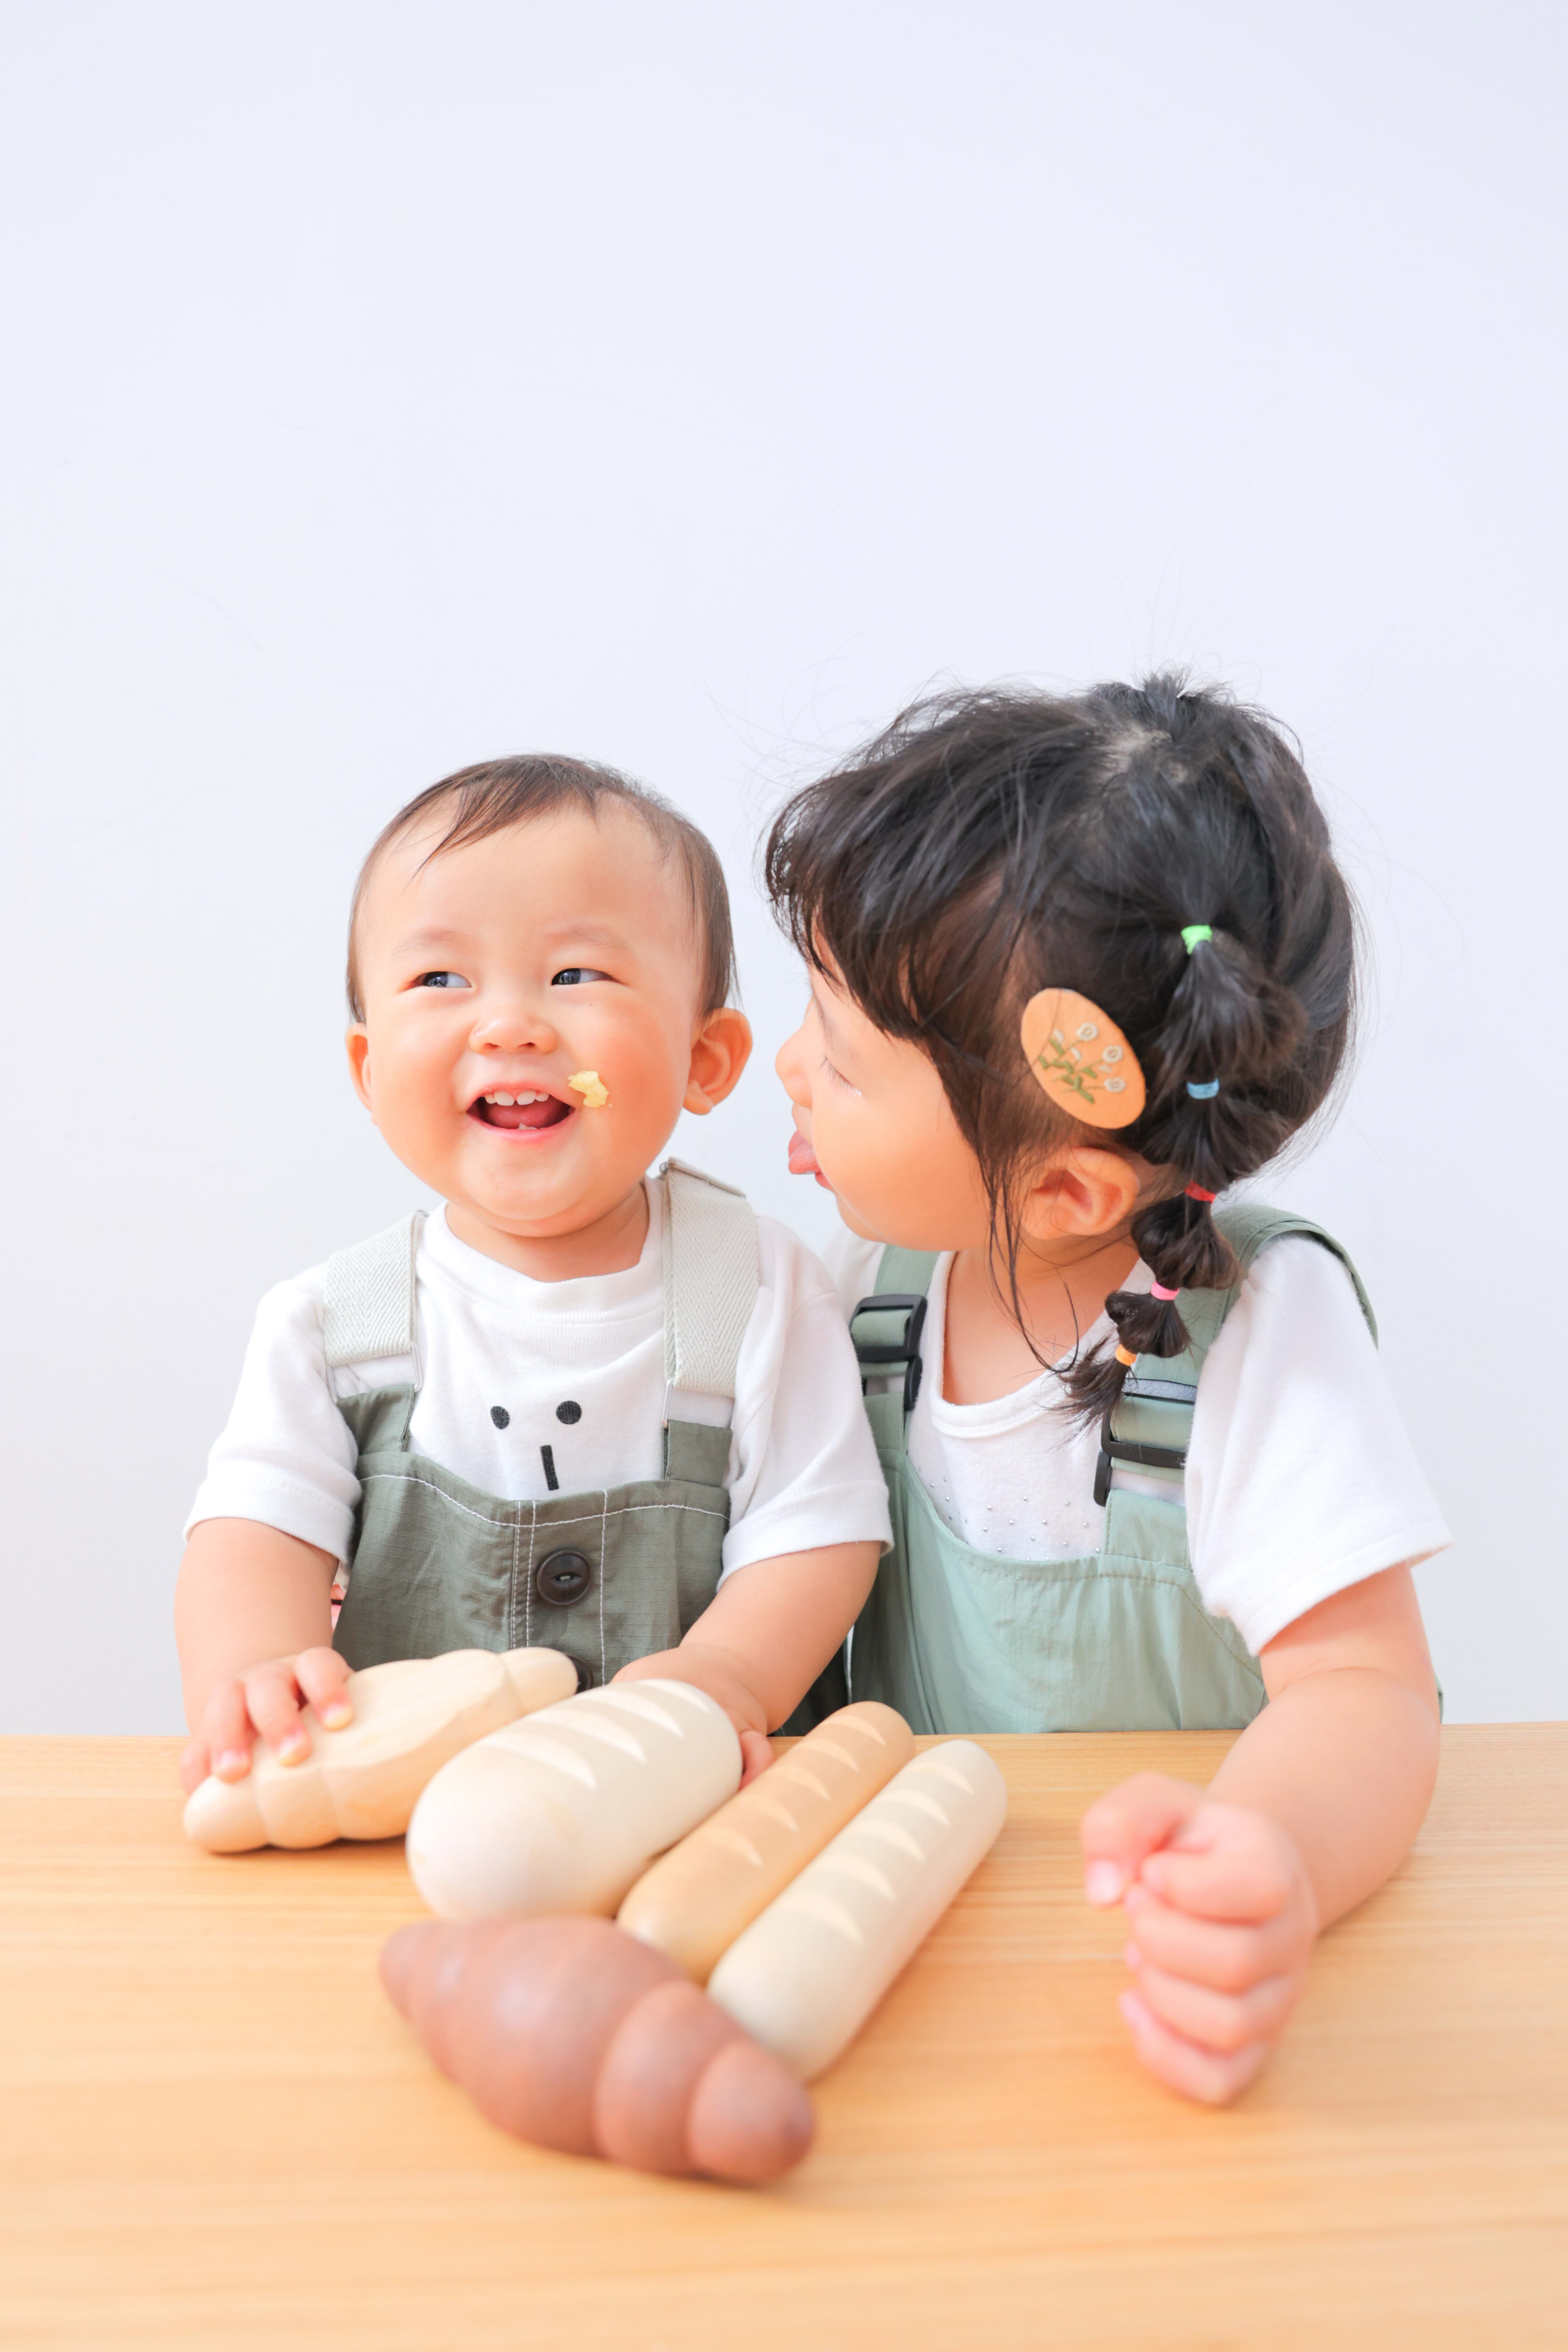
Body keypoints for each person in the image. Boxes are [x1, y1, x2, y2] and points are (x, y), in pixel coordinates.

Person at [767, 675, 1448, 2104]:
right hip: (898, 1971)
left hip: (1123, 1964)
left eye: (836, 1055)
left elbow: (1369, 1690)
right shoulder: (871, 1289)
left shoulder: (1259, 1331)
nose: (789, 1068)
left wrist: (1262, 1858)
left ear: (1068, 1185)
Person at [176, 756, 890, 1795]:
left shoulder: (760, 1287)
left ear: (705, 1057)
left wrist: (725, 1673)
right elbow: (256, 1528)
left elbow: (819, 1532)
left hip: (691, 1802)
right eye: (440, 980)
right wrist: (255, 1666)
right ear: (370, 1074)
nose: (510, 1024)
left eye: (576, 976)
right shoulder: (337, 1325)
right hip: (404, 1812)